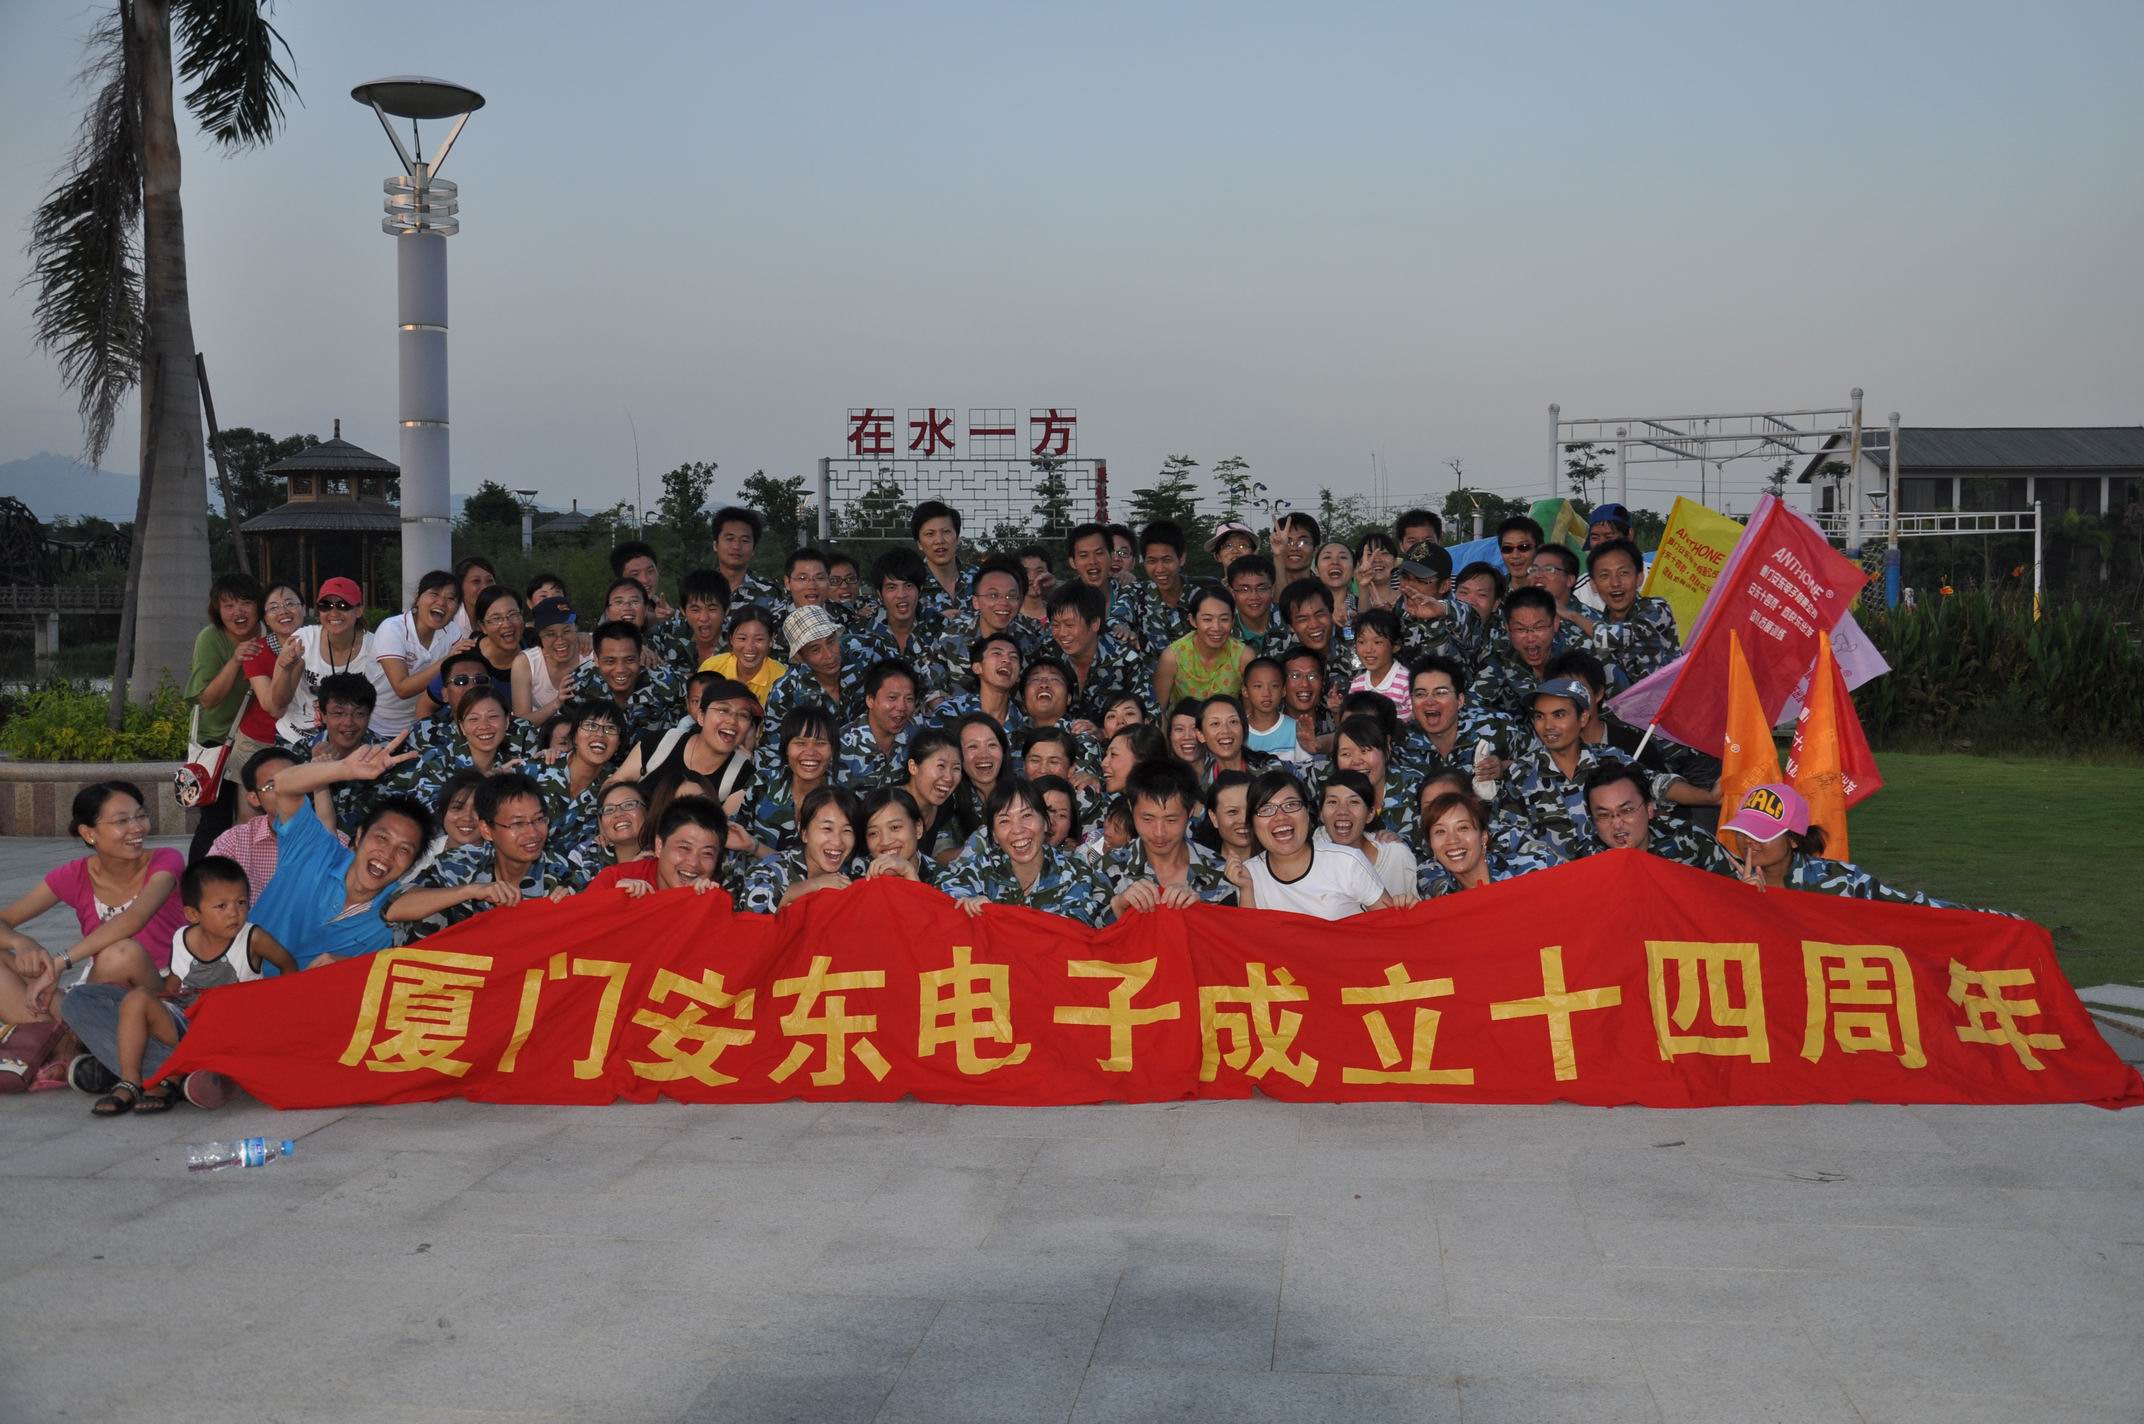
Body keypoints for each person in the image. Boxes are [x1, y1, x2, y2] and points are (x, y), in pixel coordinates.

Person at [65, 857, 298, 1115]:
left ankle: (168, 1073)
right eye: (221, 906)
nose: (234, 912)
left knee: (215, 1015)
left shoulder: (253, 938)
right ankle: (131, 1079)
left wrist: (278, 1008)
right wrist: (146, 1003)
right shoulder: (182, 938)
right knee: (130, 999)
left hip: (231, 1029)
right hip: (187, 1023)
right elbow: (174, 985)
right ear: (193, 914)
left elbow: (287, 963)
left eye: (241, 902)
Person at [0, 784, 178, 1060]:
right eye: (122, 821)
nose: (137, 828)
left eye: (141, 816)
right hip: (94, 995)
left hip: (156, 994)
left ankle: (70, 1047)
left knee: (121, 954)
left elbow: (134, 919)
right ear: (88, 833)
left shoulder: (166, 861)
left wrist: (60, 962)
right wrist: (20, 941)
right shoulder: (75, 874)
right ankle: (64, 1046)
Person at [249, 736, 431, 967]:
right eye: (382, 838)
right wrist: (344, 768)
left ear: (412, 864)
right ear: (359, 835)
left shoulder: (396, 918)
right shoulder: (313, 849)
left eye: (404, 849)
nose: (387, 853)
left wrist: (352, 968)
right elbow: (283, 783)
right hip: (230, 981)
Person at [396, 771, 592, 936]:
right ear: (487, 830)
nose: (533, 833)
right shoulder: (460, 862)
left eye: (539, 819)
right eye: (517, 823)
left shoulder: (565, 877)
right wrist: (470, 891)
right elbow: (395, 907)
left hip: (530, 968)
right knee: (427, 914)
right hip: (464, 966)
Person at [1716, 784, 1975, 905]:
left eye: (1761, 833)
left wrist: (1990, 919)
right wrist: (1746, 902)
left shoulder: (1840, 881)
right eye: (1743, 831)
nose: (1748, 841)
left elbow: (1913, 910)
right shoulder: (1722, 879)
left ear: (1794, 840)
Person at [1222, 769, 1408, 918]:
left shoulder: (1348, 862)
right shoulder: (1248, 874)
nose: (1280, 817)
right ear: (1252, 822)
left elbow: (1389, 925)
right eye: (1266, 809)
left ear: (1308, 813)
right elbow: (1251, 944)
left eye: (1291, 805)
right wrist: (1246, 889)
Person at [940, 780, 1113, 925]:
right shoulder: (981, 868)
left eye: (1027, 816)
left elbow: (1070, 931)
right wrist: (967, 904)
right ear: (994, 834)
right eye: (1004, 821)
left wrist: (996, 915)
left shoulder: (1077, 874)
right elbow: (943, 899)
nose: (1018, 829)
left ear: (1045, 823)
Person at [183, 573, 264, 861]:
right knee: (215, 821)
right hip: (218, 740)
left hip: (259, 741)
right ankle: (198, 880)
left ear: (259, 605)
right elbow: (207, 699)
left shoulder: (271, 633)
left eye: (245, 602)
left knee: (260, 820)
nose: (238, 612)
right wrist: (236, 660)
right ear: (217, 610)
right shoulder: (210, 638)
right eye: (228, 605)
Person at [614, 676, 758, 832]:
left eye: (743, 715)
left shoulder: (744, 776)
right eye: (723, 710)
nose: (732, 721)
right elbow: (615, 784)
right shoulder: (661, 742)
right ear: (701, 716)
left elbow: (719, 832)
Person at [1103, 759, 1236, 916]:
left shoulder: (1220, 871)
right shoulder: (1108, 867)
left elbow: (1232, 929)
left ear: (1190, 812)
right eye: (1147, 819)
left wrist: (1202, 913)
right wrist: (1117, 907)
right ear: (1132, 809)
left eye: (1171, 820)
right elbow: (1088, 928)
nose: (1159, 832)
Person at [272, 577, 387, 747]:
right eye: (326, 605)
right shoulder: (303, 640)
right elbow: (278, 706)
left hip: (350, 737)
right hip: (296, 736)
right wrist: (286, 667)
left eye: (343, 605)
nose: (334, 613)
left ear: (359, 610)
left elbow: (375, 708)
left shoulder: (376, 648)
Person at [1583, 764, 1735, 873]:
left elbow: (1735, 889)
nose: (1617, 824)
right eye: (1603, 815)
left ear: (1649, 810)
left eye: (1627, 810)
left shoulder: (1689, 837)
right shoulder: (1587, 859)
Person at [576, 794, 729, 898]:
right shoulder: (615, 879)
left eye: (707, 853)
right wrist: (612, 901)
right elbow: (577, 925)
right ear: (659, 846)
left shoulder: (714, 898)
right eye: (684, 848)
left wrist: (702, 905)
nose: (693, 863)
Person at [740, 786, 865, 913]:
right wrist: (813, 885)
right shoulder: (771, 869)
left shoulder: (856, 872)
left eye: (847, 830)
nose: (837, 841)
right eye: (827, 829)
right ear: (804, 832)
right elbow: (753, 911)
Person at [373, 569, 465, 738]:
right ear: (417, 598)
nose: (441, 602)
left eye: (451, 598)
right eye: (434, 594)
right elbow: (402, 689)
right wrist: (448, 659)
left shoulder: (452, 631)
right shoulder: (392, 628)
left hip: (422, 723)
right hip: (379, 727)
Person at [762, 605, 863, 753]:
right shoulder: (785, 692)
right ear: (800, 657)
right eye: (815, 649)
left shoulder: (861, 661)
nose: (829, 655)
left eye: (830, 642)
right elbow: (773, 750)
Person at [1581, 537, 1681, 685]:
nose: (1615, 583)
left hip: (1670, 697)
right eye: (1604, 575)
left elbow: (1616, 636)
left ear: (1639, 578)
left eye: (1623, 573)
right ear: (1593, 585)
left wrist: (1574, 616)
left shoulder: (1657, 609)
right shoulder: (1600, 622)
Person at [532, 700, 624, 859]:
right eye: (591, 726)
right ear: (574, 736)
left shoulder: (618, 790)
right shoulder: (538, 768)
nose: (600, 734)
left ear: (618, 744)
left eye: (610, 728)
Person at [569, 620, 684, 747]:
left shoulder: (668, 682)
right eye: (610, 661)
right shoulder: (579, 684)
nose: (620, 669)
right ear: (596, 659)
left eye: (629, 660)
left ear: (640, 656)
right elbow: (563, 732)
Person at [740, 704, 837, 855]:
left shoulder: (843, 799)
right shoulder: (762, 783)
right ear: (786, 748)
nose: (810, 752)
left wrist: (757, 848)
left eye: (820, 743)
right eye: (800, 743)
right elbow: (736, 838)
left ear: (833, 750)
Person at [1420, 790, 1555, 896]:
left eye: (1463, 828)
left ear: (1483, 837)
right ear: (1431, 844)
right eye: (1440, 831)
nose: (1452, 840)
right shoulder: (1437, 895)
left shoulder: (1537, 868)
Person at [1048, 582, 1150, 723]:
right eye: (1055, 625)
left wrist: (1101, 732)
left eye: (1069, 625)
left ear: (1095, 623)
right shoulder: (1047, 651)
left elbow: (1150, 716)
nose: (1062, 633)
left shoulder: (1125, 659)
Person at [209, 746, 303, 892]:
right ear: (254, 798)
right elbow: (208, 891)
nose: (284, 790)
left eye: (291, 781)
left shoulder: (329, 838)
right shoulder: (234, 842)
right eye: (271, 786)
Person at [1318, 769, 1419, 902]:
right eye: (1332, 802)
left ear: (1370, 814)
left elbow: (1420, 910)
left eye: (1354, 802)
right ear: (1321, 814)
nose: (1342, 811)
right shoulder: (1310, 856)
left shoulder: (1396, 856)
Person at [1471, 587, 1565, 717]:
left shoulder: (1573, 651)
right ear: (1507, 628)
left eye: (1538, 627)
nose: (1530, 638)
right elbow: (1472, 707)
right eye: (1520, 629)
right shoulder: (1499, 656)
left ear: (1555, 623)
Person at [1154, 585, 1251, 710]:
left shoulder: (1244, 656)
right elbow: (1158, 711)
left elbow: (1250, 711)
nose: (1216, 627)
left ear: (1233, 620)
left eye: (1224, 619)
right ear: (1193, 620)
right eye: (1207, 619)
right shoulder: (1172, 657)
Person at [1334, 713, 1425, 846]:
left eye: (1365, 751)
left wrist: (1402, 841)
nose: (1356, 761)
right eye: (1346, 754)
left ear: (1387, 749)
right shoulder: (1331, 789)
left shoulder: (1415, 786)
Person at [833, 659, 921, 790]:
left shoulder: (919, 738)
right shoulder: (840, 745)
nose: (902, 707)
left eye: (909, 699)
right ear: (870, 700)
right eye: (892, 698)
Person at [512, 596, 589, 725]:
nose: (560, 640)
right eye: (550, 634)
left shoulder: (592, 651)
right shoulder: (526, 663)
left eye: (567, 631)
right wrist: (557, 703)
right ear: (539, 636)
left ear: (576, 629)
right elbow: (520, 724)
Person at [853, 548, 936, 665]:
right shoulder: (860, 633)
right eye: (891, 587)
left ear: (920, 590)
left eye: (908, 585)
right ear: (880, 594)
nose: (901, 595)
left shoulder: (940, 629)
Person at [1124, 520, 1193, 654]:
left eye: (1167, 560)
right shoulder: (1135, 593)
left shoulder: (1202, 596)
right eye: (1152, 561)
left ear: (1181, 558)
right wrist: (1121, 628)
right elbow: (1116, 619)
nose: (1160, 569)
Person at [900, 727, 966, 860]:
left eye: (956, 768)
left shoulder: (946, 805)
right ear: (913, 767)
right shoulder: (887, 805)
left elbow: (937, 857)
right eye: (941, 766)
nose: (949, 778)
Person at [859, 787, 944, 886]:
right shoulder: (858, 873)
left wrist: (910, 875)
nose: (885, 841)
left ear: (918, 828)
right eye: (873, 833)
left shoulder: (946, 879)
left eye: (895, 827)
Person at [700, 605, 784, 704]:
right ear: (731, 639)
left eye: (759, 639)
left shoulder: (782, 678)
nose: (749, 647)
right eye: (742, 638)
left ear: (771, 640)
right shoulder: (711, 668)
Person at [949, 713, 1010, 848]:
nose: (984, 755)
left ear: (1003, 750)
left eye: (992, 745)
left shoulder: (1022, 795)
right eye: (973, 746)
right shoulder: (948, 800)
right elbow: (940, 855)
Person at [711, 506, 776, 623]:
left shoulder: (770, 592)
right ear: (716, 545)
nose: (736, 546)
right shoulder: (698, 589)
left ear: (753, 549)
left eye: (745, 540)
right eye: (730, 539)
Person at [911, 500, 971, 619]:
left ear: (957, 538)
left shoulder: (981, 579)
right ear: (919, 544)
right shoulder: (910, 586)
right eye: (930, 534)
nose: (939, 540)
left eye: (946, 532)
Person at [1348, 608, 1411, 721]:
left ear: (1395, 646)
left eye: (1377, 642)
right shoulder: (1356, 685)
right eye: (1361, 642)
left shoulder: (1407, 682)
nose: (1368, 649)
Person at [1203, 768, 1258, 872]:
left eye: (1250, 810)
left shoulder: (1279, 859)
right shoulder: (1197, 863)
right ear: (1214, 818)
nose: (1244, 820)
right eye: (1232, 812)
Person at [595, 779, 651, 867]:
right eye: (609, 809)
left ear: (649, 811)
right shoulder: (583, 857)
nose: (618, 813)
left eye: (628, 805)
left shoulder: (664, 856)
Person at [442, 556, 497, 641]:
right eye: (476, 581)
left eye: (489, 581)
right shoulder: (447, 624)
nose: (484, 587)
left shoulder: (500, 619)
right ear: (460, 586)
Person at [1353, 531, 1399, 614]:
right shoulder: (1350, 604)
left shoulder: (1408, 600)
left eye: (1384, 553)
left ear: (1395, 561)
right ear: (1359, 563)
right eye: (1369, 554)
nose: (1377, 559)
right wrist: (1363, 588)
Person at [1314, 541, 1357, 626]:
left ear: (1354, 570)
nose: (1335, 562)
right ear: (1316, 570)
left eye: (1343, 557)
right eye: (1327, 557)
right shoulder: (1304, 607)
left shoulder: (1364, 606)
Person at [1273, 511, 1320, 586]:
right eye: (1287, 541)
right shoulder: (1262, 587)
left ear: (1315, 549)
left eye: (1303, 542)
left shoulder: (1326, 588)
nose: (1294, 548)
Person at [1495, 516, 1543, 583]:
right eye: (1507, 548)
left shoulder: (1555, 588)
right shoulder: (1494, 588)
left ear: (1540, 550)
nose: (1515, 556)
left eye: (1523, 547)